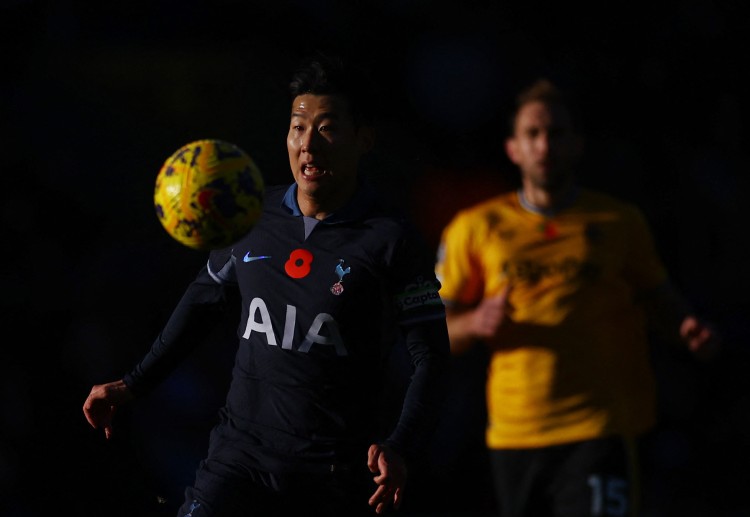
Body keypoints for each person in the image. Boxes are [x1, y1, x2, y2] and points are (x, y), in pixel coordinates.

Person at [83, 52, 450, 517]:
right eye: (298, 127)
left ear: (364, 139)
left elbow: (432, 357)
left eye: (328, 128)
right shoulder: (252, 213)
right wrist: (133, 383)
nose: (308, 145)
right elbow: (203, 300)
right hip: (238, 459)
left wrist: (401, 446)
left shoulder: (390, 239)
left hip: (332, 477)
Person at [434, 78, 720, 517]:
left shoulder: (618, 221)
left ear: (577, 144)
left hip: (599, 426)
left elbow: (658, 297)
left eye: (556, 133)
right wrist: (475, 323)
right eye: (532, 134)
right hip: (515, 432)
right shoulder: (474, 227)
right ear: (513, 148)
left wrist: (684, 327)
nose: (544, 145)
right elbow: (434, 332)